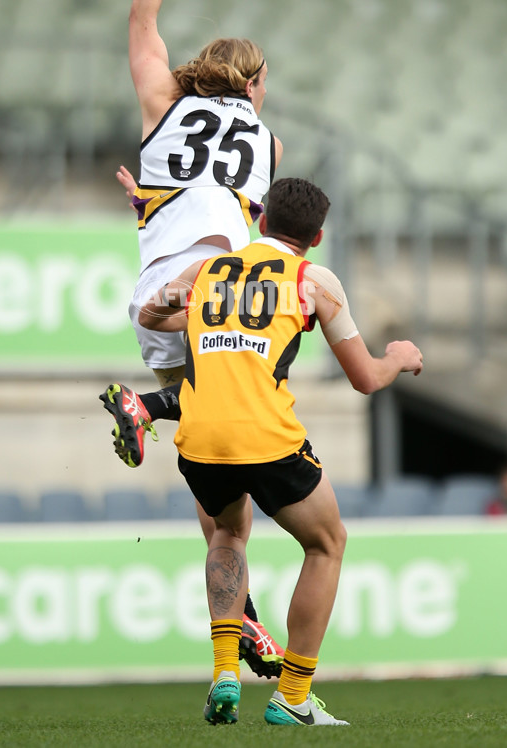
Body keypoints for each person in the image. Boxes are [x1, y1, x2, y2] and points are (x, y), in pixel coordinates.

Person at [133, 177, 423, 726]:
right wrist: (399, 358)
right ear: (315, 237)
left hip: (199, 438)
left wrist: (194, 314)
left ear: (261, 223)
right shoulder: (315, 280)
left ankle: (224, 671)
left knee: (227, 533)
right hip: (266, 437)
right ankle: (292, 696)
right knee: (326, 544)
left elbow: (149, 315)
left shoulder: (206, 271)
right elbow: (364, 379)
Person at [99, 0, 284, 679]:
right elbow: (250, 229)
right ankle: (150, 404)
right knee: (233, 493)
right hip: (214, 301)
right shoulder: (268, 145)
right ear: (253, 83)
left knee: (208, 470)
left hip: (153, 300)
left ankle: (239, 622)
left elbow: (140, 24)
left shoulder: (163, 106)